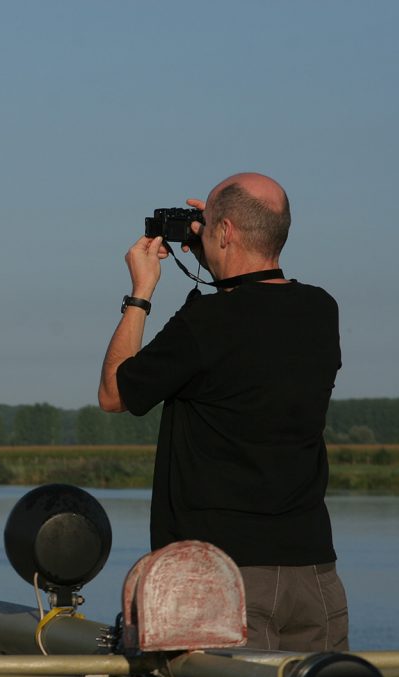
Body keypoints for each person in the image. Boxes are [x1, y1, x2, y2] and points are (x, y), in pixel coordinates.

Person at [97, 173, 348, 652]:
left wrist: (140, 292)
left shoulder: (204, 324)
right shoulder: (321, 311)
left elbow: (115, 393)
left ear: (228, 232)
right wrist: (215, 239)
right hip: (313, 573)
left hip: (224, 579)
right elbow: (255, 306)